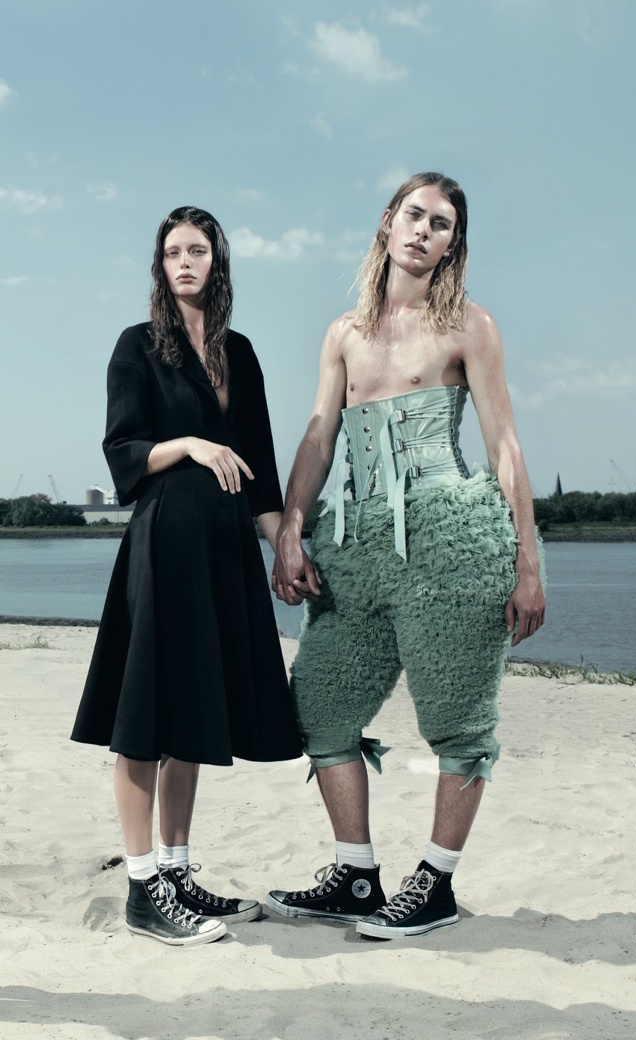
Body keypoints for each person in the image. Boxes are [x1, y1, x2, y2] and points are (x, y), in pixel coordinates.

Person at [266, 173, 546, 939]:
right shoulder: (343, 333)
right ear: (388, 223)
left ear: (453, 245)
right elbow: (319, 437)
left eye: (442, 224)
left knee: (456, 720)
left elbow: (504, 445)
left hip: (449, 541)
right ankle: (356, 877)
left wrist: (528, 564)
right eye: (414, 215)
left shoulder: (469, 326)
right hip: (356, 547)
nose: (424, 230)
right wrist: (290, 530)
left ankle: (437, 883)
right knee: (320, 707)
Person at [72, 206, 303, 946]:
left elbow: (261, 467)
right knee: (146, 714)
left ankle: (175, 872)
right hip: (165, 541)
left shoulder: (241, 352)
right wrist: (193, 444)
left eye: (197, 250)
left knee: (193, 714)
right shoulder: (136, 345)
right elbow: (123, 451)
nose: (183, 262)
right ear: (159, 264)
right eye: (172, 251)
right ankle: (143, 887)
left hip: (225, 549)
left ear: (217, 261)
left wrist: (285, 548)